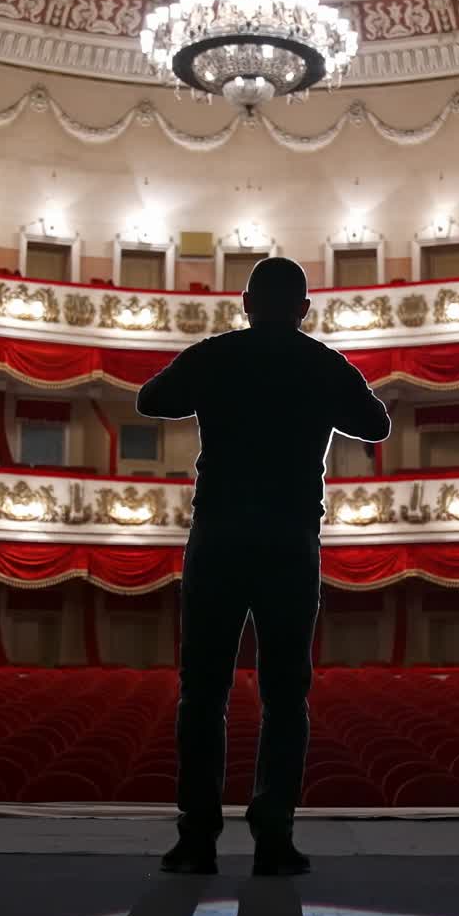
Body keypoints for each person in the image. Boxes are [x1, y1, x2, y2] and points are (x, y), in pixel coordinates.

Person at [136, 256, 391, 876]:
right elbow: (375, 424)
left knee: (203, 695)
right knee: (284, 696)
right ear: (304, 310)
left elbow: (152, 400)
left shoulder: (216, 355)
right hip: (289, 540)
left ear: (246, 304)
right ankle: (273, 838)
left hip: (220, 535)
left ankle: (196, 839)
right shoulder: (321, 362)